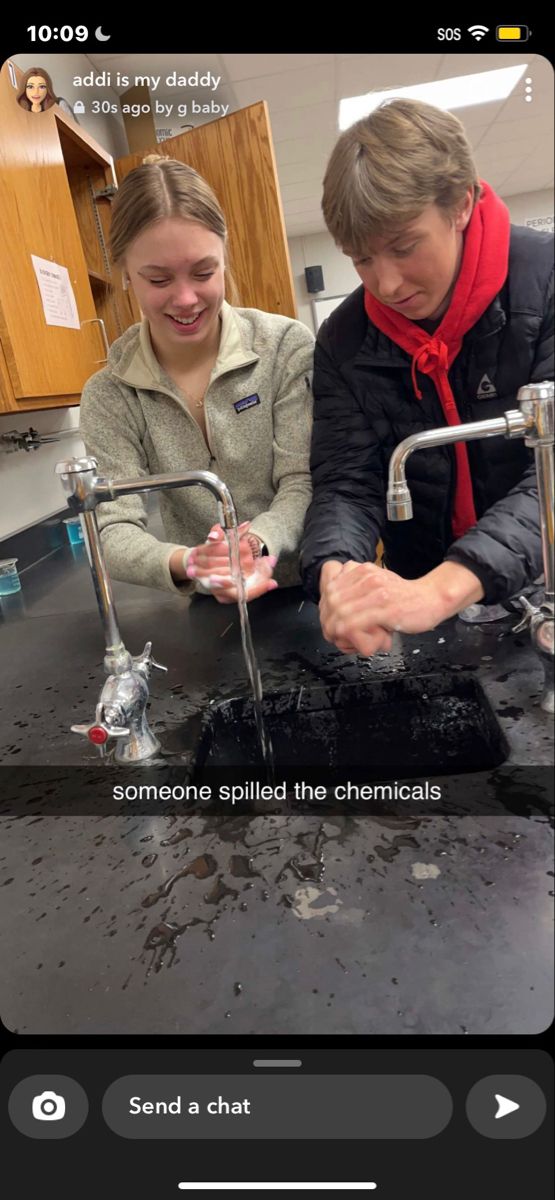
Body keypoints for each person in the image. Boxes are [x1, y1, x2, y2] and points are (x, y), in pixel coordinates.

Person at [300, 99, 553, 655]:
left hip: (540, 585)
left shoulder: (547, 280)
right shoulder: (344, 339)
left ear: (461, 205)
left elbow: (552, 477)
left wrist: (443, 588)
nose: (385, 284)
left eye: (403, 247)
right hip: (426, 611)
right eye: (361, 259)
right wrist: (339, 577)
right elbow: (347, 480)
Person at [80, 156, 314, 603]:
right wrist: (190, 564)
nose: (186, 299)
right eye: (158, 278)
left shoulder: (285, 346)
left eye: (204, 273)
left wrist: (254, 545)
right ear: (127, 274)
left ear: (225, 259)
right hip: (206, 605)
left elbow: (301, 481)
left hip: (305, 592)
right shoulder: (110, 395)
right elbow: (111, 528)